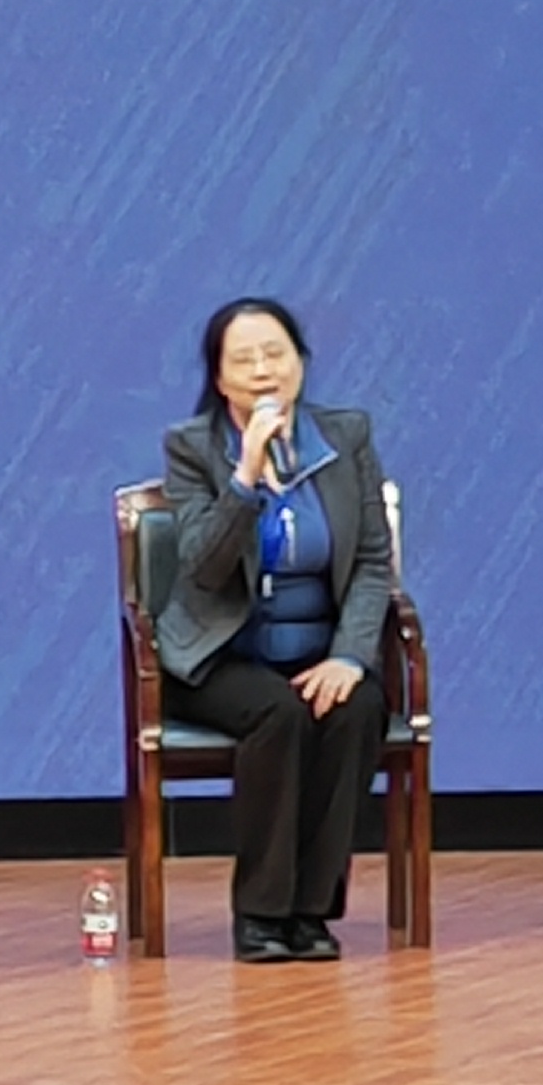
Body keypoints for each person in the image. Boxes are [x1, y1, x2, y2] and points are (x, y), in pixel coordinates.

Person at [151, 298, 397, 964]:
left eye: (275, 354)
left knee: (356, 707)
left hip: (319, 649)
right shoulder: (192, 447)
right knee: (279, 714)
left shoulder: (346, 437)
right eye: (243, 360)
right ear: (219, 377)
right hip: (221, 654)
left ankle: (311, 912)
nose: (263, 371)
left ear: (300, 362)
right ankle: (261, 914)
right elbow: (203, 567)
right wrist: (245, 477)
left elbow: (372, 561)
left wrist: (350, 657)